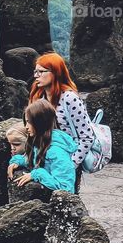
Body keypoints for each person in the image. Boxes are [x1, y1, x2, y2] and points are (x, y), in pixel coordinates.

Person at [29, 53, 95, 190]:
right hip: (45, 161)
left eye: (41, 71)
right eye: (35, 71)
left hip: (65, 161)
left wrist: (70, 164)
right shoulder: (39, 98)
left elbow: (87, 136)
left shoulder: (70, 99)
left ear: (55, 72)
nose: (36, 76)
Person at [7, 99, 77, 193]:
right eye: (26, 122)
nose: (26, 127)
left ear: (41, 123)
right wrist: (18, 161)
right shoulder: (41, 143)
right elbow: (32, 160)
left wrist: (37, 174)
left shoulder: (57, 152)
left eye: (30, 122)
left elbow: (66, 188)